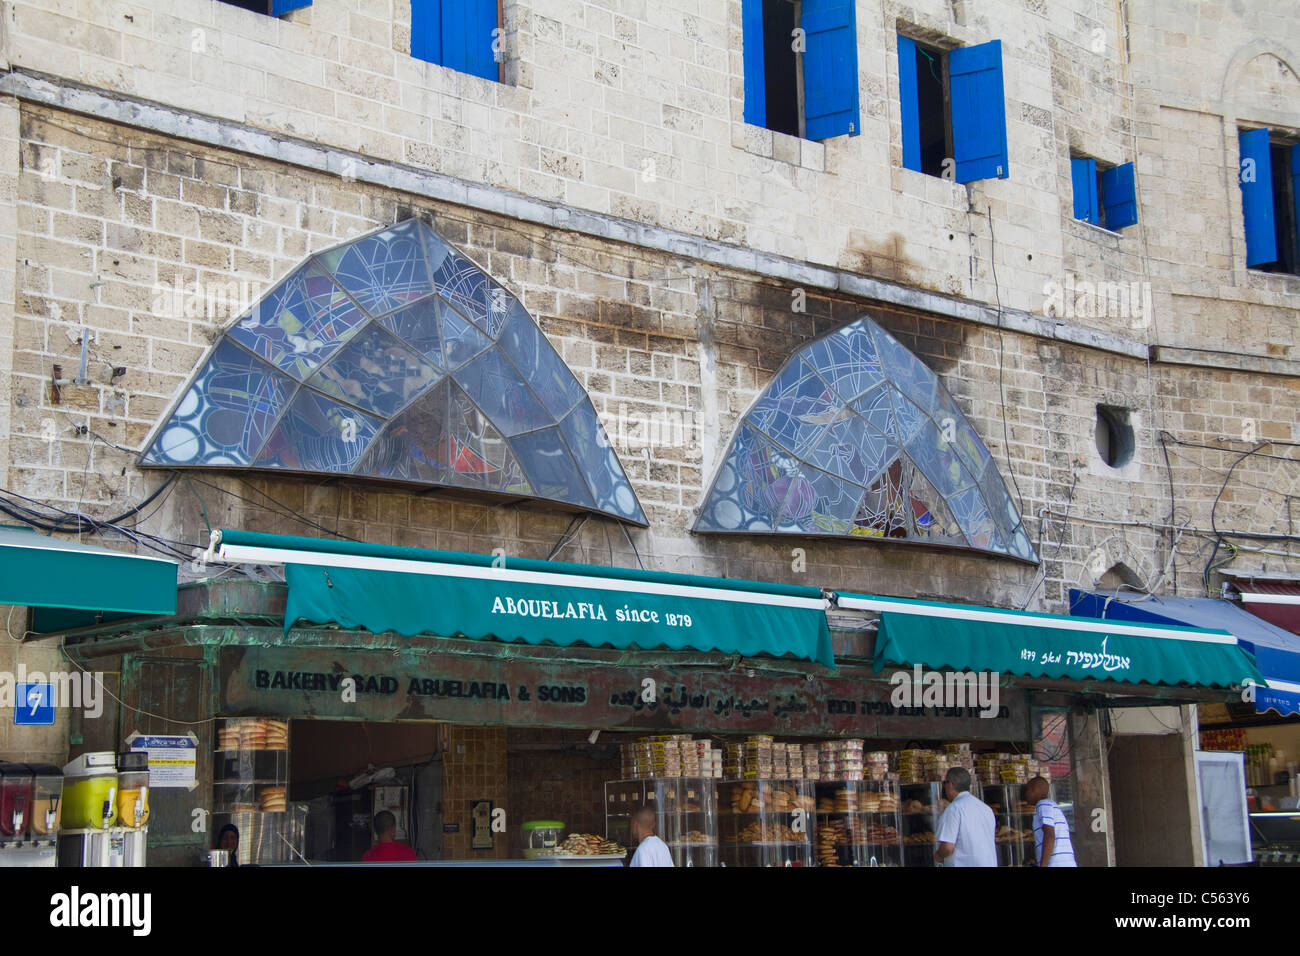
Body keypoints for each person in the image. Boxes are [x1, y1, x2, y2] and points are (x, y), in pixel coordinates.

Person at [933, 767, 997, 867]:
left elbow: (948, 847)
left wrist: (938, 855)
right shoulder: (985, 808)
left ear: (950, 784)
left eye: (944, 783)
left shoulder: (954, 809)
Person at [1026, 776, 1077, 867]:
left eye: (1028, 790)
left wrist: (1043, 865)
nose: (1026, 794)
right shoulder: (1052, 805)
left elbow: (1049, 836)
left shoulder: (1043, 804)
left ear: (1036, 790)